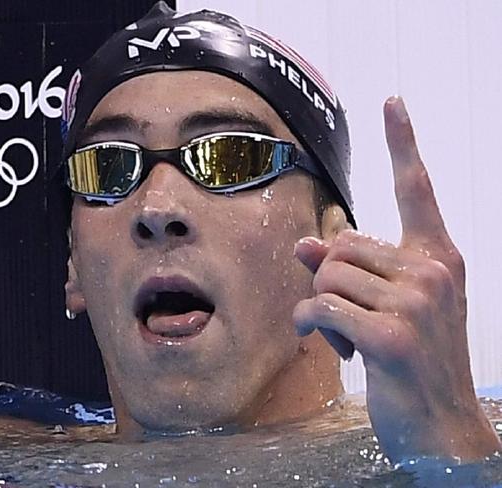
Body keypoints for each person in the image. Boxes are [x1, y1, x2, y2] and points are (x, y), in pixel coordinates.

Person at [62, 1, 501, 463]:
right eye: (107, 168)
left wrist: (456, 451)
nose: (157, 208)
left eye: (229, 157)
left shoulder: (473, 440)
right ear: (73, 263)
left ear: (334, 244)